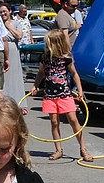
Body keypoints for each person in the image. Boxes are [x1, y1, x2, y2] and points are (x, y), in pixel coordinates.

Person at [31, 28, 92, 162]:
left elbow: (74, 74)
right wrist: (35, 85)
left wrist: (80, 91)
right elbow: (41, 73)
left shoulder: (66, 58)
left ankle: (83, 149)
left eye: (48, 42)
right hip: (50, 95)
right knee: (54, 122)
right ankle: (58, 150)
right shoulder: (45, 57)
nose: (46, 45)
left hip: (64, 94)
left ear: (55, 43)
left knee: (73, 120)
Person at [0, 3, 27, 106]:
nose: (3, 14)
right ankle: (4, 103)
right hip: (1, 51)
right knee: (3, 78)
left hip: (13, 51)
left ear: (9, 11)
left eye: (4, 11)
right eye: (0, 12)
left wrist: (8, 26)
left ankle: (19, 103)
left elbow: (19, 35)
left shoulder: (16, 23)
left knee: (15, 77)